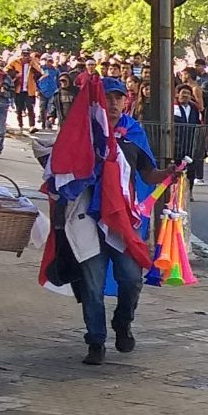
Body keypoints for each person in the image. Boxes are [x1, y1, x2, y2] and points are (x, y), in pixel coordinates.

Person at [37, 75, 156, 366]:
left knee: (131, 279)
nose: (113, 103)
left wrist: (170, 174)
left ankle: (122, 322)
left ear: (127, 101)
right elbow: (57, 168)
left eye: (118, 97)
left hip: (121, 221)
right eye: (107, 98)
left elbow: (148, 174)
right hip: (85, 218)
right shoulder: (80, 134)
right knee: (92, 285)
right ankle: (95, 341)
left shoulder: (132, 134)